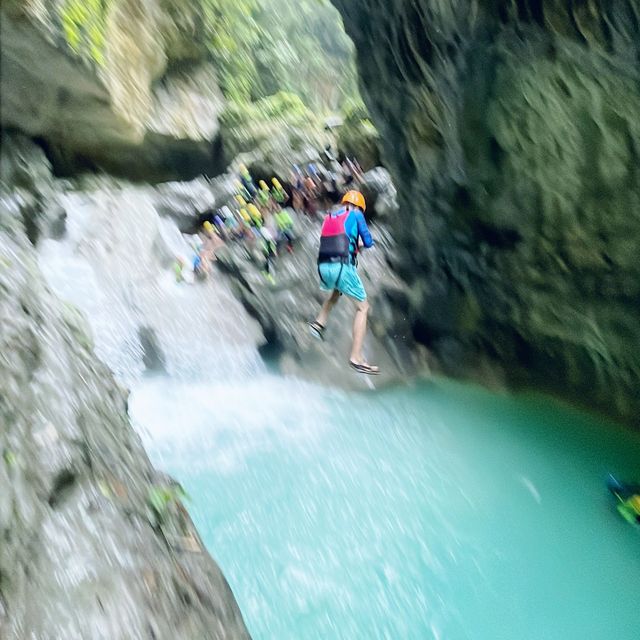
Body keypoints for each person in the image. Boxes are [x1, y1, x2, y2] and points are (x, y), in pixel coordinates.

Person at [309, 190, 379, 374]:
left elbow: (335, 240)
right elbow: (368, 241)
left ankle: (318, 324)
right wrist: (360, 245)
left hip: (324, 268)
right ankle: (355, 357)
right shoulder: (356, 215)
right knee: (363, 308)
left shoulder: (329, 217)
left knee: (336, 293)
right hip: (341, 268)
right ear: (359, 207)